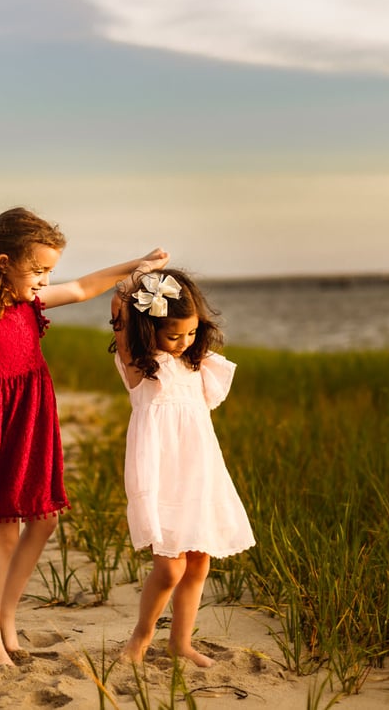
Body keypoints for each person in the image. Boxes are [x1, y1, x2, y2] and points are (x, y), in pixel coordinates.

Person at [0, 207, 168, 667]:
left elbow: (81, 288)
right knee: (3, 532)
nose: (44, 280)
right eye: (38, 270)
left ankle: (7, 618)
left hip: (32, 423)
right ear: (3, 264)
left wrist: (136, 265)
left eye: (48, 271)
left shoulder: (30, 305)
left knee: (44, 520)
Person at [108, 268, 255, 668]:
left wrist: (183, 331)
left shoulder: (196, 365)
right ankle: (140, 638)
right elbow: (118, 304)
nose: (184, 342)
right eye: (174, 336)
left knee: (198, 561)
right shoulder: (141, 366)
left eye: (190, 333)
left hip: (199, 473)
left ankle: (181, 642)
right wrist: (139, 279)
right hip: (162, 476)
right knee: (170, 567)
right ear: (149, 328)